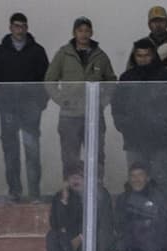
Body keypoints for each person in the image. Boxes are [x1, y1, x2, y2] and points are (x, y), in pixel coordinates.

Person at [45, 17, 117, 178]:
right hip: (70, 116)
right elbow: (49, 80)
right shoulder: (64, 54)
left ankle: (97, 190)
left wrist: (102, 101)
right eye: (80, 30)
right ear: (74, 32)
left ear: (91, 32)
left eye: (87, 31)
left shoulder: (100, 56)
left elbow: (111, 80)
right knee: (70, 157)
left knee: (96, 155)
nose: (83, 34)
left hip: (94, 115)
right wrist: (61, 99)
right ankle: (71, 193)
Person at [0, 12, 50, 202]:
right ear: (10, 27)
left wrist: (41, 102)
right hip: (7, 107)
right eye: (16, 26)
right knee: (10, 151)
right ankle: (14, 191)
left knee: (32, 150)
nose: (20, 29)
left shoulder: (37, 51)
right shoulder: (0, 51)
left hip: (31, 107)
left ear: (27, 27)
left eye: (23, 26)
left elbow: (45, 79)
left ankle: (34, 193)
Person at [112, 39, 167, 192]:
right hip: (134, 138)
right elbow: (117, 106)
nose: (143, 59)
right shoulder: (127, 78)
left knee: (161, 179)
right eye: (139, 55)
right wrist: (123, 125)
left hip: (160, 139)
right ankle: (136, 215)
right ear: (134, 57)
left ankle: (161, 215)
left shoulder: (166, 76)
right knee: (135, 180)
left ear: (153, 56)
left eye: (147, 55)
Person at [45, 161, 112, 251]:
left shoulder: (100, 194)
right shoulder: (61, 196)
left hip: (92, 238)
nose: (75, 180)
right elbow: (55, 224)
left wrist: (82, 236)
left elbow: (104, 222)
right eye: (72, 177)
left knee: (103, 235)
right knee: (52, 236)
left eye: (79, 177)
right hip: (69, 241)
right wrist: (64, 202)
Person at [111, 162, 167, 251]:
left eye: (140, 175)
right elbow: (119, 226)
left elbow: (165, 228)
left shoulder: (159, 199)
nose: (136, 179)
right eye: (133, 176)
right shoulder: (123, 199)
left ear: (148, 178)